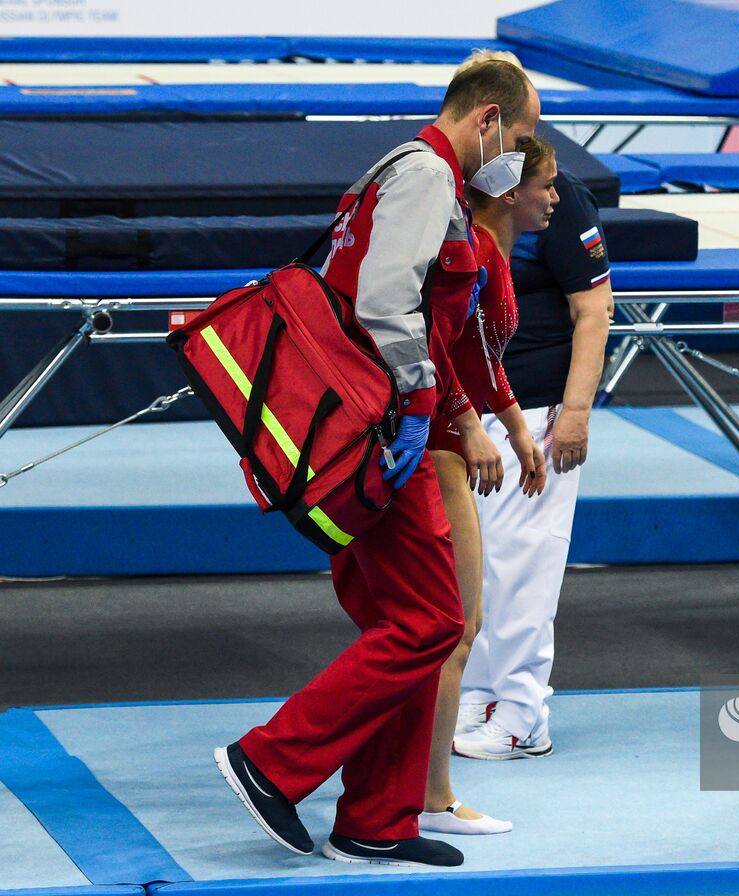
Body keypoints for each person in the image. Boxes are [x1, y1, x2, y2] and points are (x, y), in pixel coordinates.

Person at [213, 56, 540, 868]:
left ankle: (377, 819)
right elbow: (385, 299)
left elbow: (428, 323)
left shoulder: (416, 181)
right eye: (523, 138)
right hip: (384, 434)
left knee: (409, 627)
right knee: (432, 621)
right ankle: (270, 760)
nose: (524, 158)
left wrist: (459, 413)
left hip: (392, 427)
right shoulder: (426, 175)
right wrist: (425, 410)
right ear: (488, 119)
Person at [451, 67, 615, 761]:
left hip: (538, 406)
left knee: (524, 563)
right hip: (470, 407)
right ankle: (477, 694)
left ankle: (523, 712)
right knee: (477, 564)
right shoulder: (464, 189)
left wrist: (574, 413)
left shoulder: (556, 196)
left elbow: (595, 308)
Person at [418, 134, 559, 832]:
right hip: (436, 445)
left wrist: (517, 428)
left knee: (447, 626)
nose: (557, 198)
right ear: (510, 194)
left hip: (455, 434)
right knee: (453, 627)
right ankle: (431, 796)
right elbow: (438, 354)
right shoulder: (470, 253)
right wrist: (472, 426)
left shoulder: (495, 256)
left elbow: (483, 356)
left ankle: (414, 785)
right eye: (548, 185)